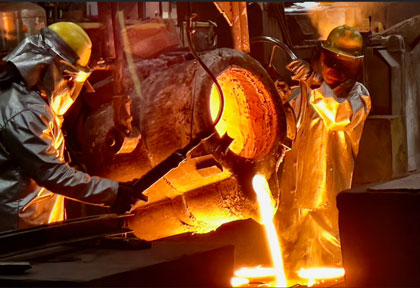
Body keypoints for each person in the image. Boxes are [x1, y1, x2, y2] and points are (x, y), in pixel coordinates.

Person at [0, 22, 147, 232]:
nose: (69, 88)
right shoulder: (23, 111)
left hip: (34, 226)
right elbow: (52, 174)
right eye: (68, 79)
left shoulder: (30, 100)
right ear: (55, 69)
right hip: (18, 232)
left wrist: (115, 191)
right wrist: (113, 193)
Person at [276, 25, 371, 279]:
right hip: (293, 200)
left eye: (342, 65)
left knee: (331, 271)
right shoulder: (304, 92)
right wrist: (281, 101)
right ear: (321, 56)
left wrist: (315, 82)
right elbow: (285, 133)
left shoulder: (357, 97)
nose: (333, 70)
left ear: (355, 67)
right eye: (330, 61)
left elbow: (339, 117)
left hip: (327, 204)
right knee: (289, 268)